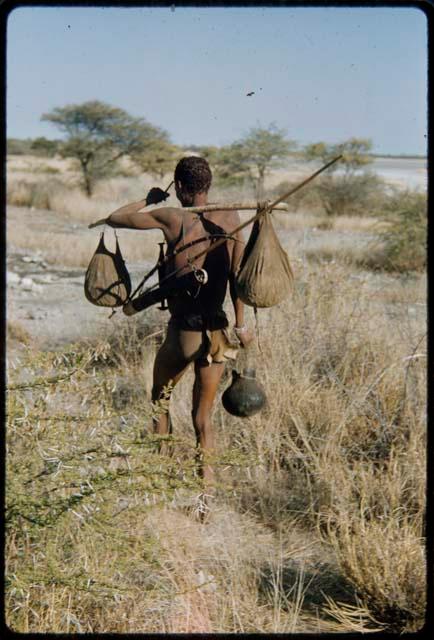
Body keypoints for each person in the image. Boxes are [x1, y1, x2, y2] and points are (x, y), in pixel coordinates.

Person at [89, 156, 253, 516]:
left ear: (179, 186)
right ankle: (204, 500)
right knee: (203, 419)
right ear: (208, 184)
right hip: (220, 333)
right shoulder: (232, 217)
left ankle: (158, 485)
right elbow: (239, 278)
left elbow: (116, 216)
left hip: (185, 331)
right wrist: (241, 326)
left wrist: (150, 199)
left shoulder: (172, 217)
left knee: (159, 401)